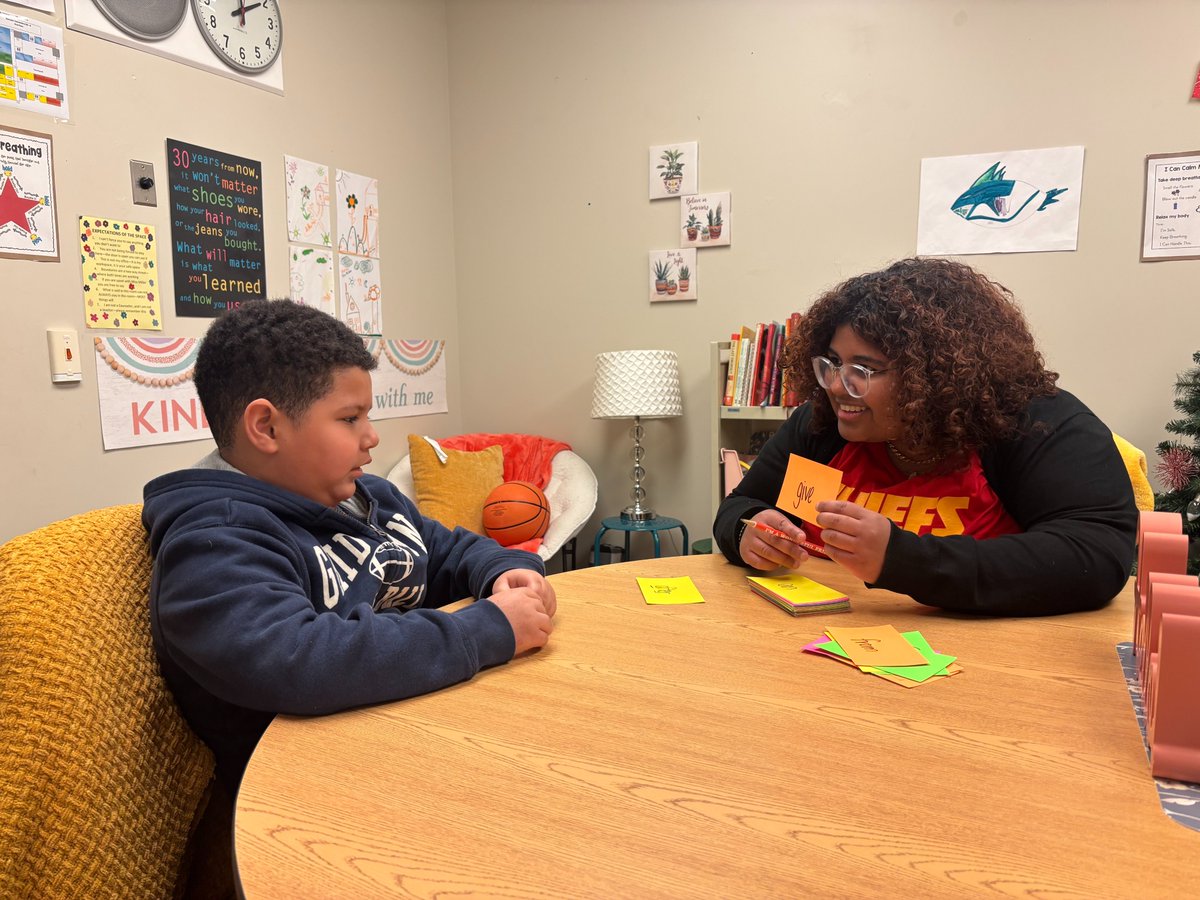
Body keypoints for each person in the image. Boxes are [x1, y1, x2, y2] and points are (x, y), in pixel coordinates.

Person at [143, 300, 556, 791]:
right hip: (312, 786)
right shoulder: (214, 539)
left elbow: (444, 550)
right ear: (266, 427)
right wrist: (483, 630)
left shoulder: (367, 496)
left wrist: (502, 569)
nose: (372, 437)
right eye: (349, 419)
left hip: (415, 724)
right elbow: (296, 659)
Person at [714, 257, 1136, 616]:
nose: (838, 387)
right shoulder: (822, 424)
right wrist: (748, 531)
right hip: (826, 639)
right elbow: (742, 505)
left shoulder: (1033, 422)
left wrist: (900, 559)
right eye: (834, 363)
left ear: (933, 377)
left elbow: (1095, 556)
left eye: (864, 369)